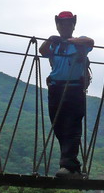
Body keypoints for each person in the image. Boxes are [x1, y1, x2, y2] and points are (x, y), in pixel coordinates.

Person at [39, 11, 94, 178]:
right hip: (56, 88)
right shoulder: (54, 44)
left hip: (74, 88)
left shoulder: (79, 43)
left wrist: (68, 40)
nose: (64, 27)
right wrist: (50, 38)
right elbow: (42, 51)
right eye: (61, 24)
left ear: (73, 25)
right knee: (59, 126)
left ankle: (69, 166)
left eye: (68, 24)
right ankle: (71, 166)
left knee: (72, 126)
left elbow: (90, 42)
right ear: (57, 26)